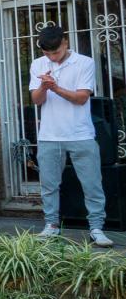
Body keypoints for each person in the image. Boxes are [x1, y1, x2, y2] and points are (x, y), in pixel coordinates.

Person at [30, 26, 113, 247]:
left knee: (92, 183)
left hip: (80, 133)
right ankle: (51, 225)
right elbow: (37, 100)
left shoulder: (84, 62)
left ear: (65, 43)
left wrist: (55, 88)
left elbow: (82, 98)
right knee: (49, 185)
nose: (51, 57)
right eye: (47, 53)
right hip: (48, 135)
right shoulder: (38, 64)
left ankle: (96, 228)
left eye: (55, 52)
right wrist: (44, 87)